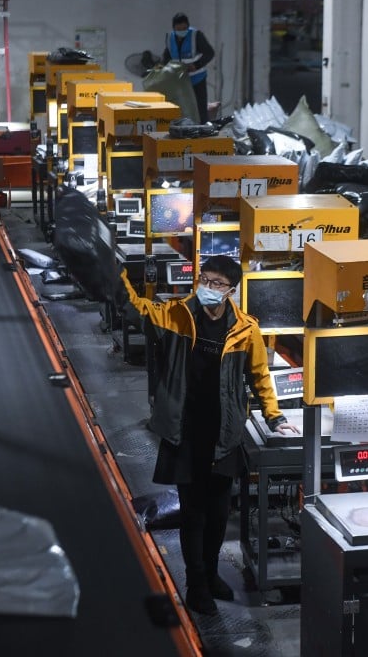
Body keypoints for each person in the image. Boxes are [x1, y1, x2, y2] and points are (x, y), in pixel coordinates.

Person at [119, 255, 299, 615]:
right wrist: (117, 273)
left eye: (216, 284)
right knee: (193, 514)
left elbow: (259, 377)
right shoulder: (175, 316)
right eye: (204, 280)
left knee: (218, 514)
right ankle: (196, 583)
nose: (207, 288)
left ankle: (213, 572)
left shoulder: (246, 329)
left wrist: (275, 417)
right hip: (185, 433)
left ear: (232, 290)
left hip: (224, 435)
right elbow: (133, 308)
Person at [161, 12, 215, 123]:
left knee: (200, 108)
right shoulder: (170, 37)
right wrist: (161, 68)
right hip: (179, 80)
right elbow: (167, 55)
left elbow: (210, 53)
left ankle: (203, 131)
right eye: (178, 29)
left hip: (197, 78)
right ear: (174, 28)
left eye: (184, 28)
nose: (182, 31)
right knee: (183, 108)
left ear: (188, 26)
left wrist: (196, 65)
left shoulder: (196, 36)